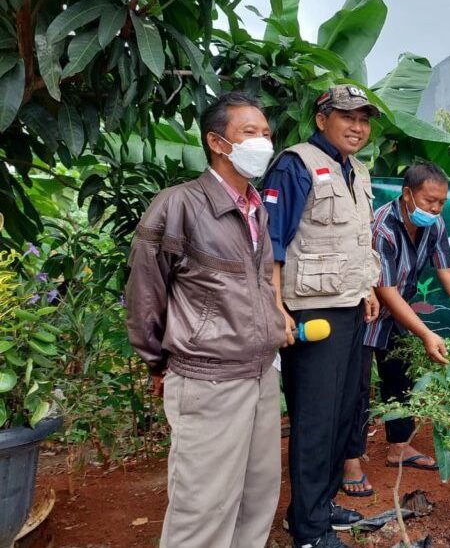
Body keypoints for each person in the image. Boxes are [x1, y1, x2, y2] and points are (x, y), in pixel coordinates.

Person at [125, 91, 288, 548]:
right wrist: (158, 361)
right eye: (249, 133)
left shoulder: (256, 207)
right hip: (209, 378)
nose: (263, 142)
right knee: (203, 508)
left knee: (256, 499)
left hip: (260, 373)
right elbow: (144, 294)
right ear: (218, 143)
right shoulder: (178, 205)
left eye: (266, 133)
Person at [262, 85, 382, 548]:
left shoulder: (358, 171)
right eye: (347, 117)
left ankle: (319, 505)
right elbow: (272, 242)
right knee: (314, 418)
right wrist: (275, 306)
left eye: (364, 120)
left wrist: (368, 289)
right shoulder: (296, 165)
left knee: (343, 411)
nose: (357, 127)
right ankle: (309, 530)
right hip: (312, 311)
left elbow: (356, 239)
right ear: (321, 118)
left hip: (351, 308)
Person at [342, 162, 450, 495]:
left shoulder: (434, 224)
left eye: (441, 202)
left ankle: (399, 446)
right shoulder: (383, 226)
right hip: (365, 312)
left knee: (399, 375)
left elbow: (448, 270)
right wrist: (426, 333)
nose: (436, 208)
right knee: (355, 389)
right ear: (407, 194)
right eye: (430, 201)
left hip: (398, 313)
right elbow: (385, 289)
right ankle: (350, 461)